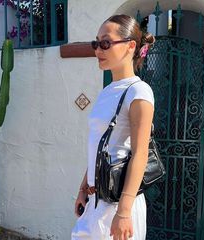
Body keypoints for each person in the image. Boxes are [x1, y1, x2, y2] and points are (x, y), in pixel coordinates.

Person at [71, 14, 155, 240]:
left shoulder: (139, 91)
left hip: (118, 204)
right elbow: (99, 145)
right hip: (95, 202)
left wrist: (125, 212)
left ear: (130, 46)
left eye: (106, 43)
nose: (98, 50)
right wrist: (83, 189)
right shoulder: (107, 91)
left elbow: (140, 154)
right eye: (96, 43)